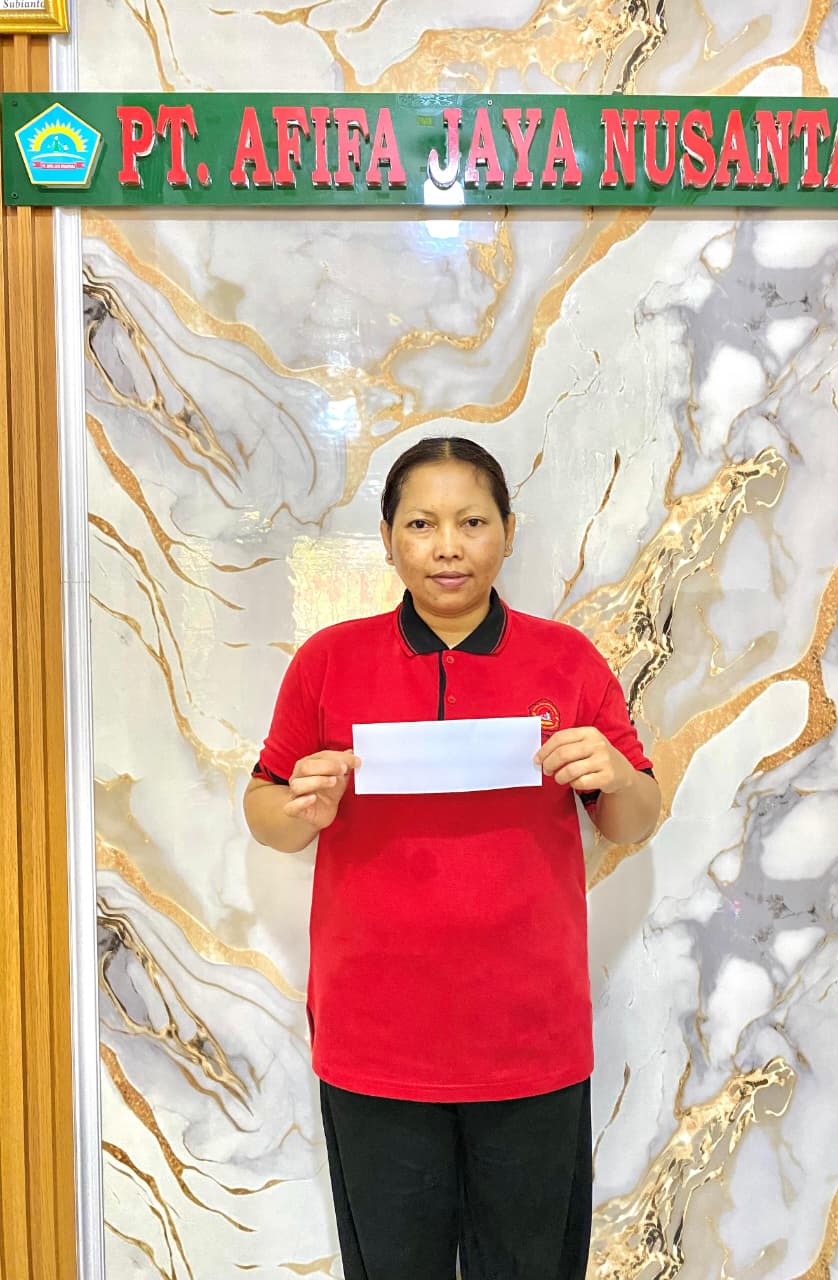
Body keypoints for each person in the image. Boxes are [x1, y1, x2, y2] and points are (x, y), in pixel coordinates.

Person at [244, 436, 660, 1280]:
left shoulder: (567, 661)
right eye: (421, 524)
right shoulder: (329, 661)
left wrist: (617, 776)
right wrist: (299, 807)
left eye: (471, 522)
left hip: (531, 1039)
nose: (447, 547)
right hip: (375, 1040)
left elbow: (633, 820)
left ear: (507, 531)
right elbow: (266, 812)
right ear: (388, 538)